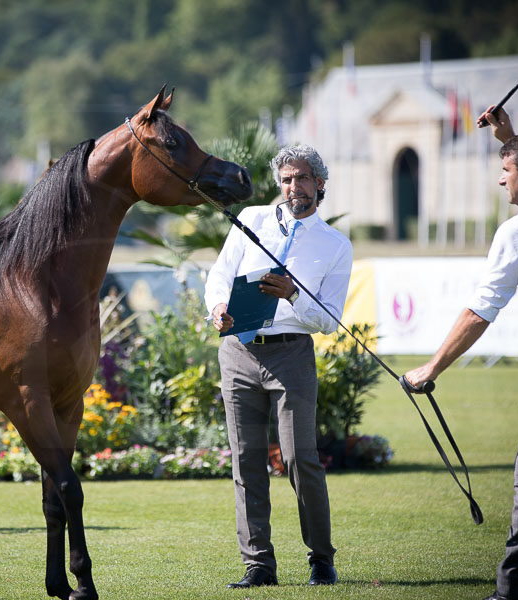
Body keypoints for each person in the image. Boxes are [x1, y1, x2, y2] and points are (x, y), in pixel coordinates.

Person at [405, 108, 518, 600]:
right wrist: (510, 137)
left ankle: (512, 590)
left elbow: (481, 311)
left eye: (506, 169)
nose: (501, 180)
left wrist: (431, 368)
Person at [205, 145, 352, 588]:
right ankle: (258, 565)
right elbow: (219, 276)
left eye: (302, 178)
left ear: (319, 184)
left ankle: (321, 559)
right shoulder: (251, 219)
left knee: (298, 458)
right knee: (246, 460)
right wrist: (218, 308)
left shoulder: (335, 245)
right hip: (238, 352)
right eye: (286, 179)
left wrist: (293, 294)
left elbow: (329, 320)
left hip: (291, 355)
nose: (293, 187)